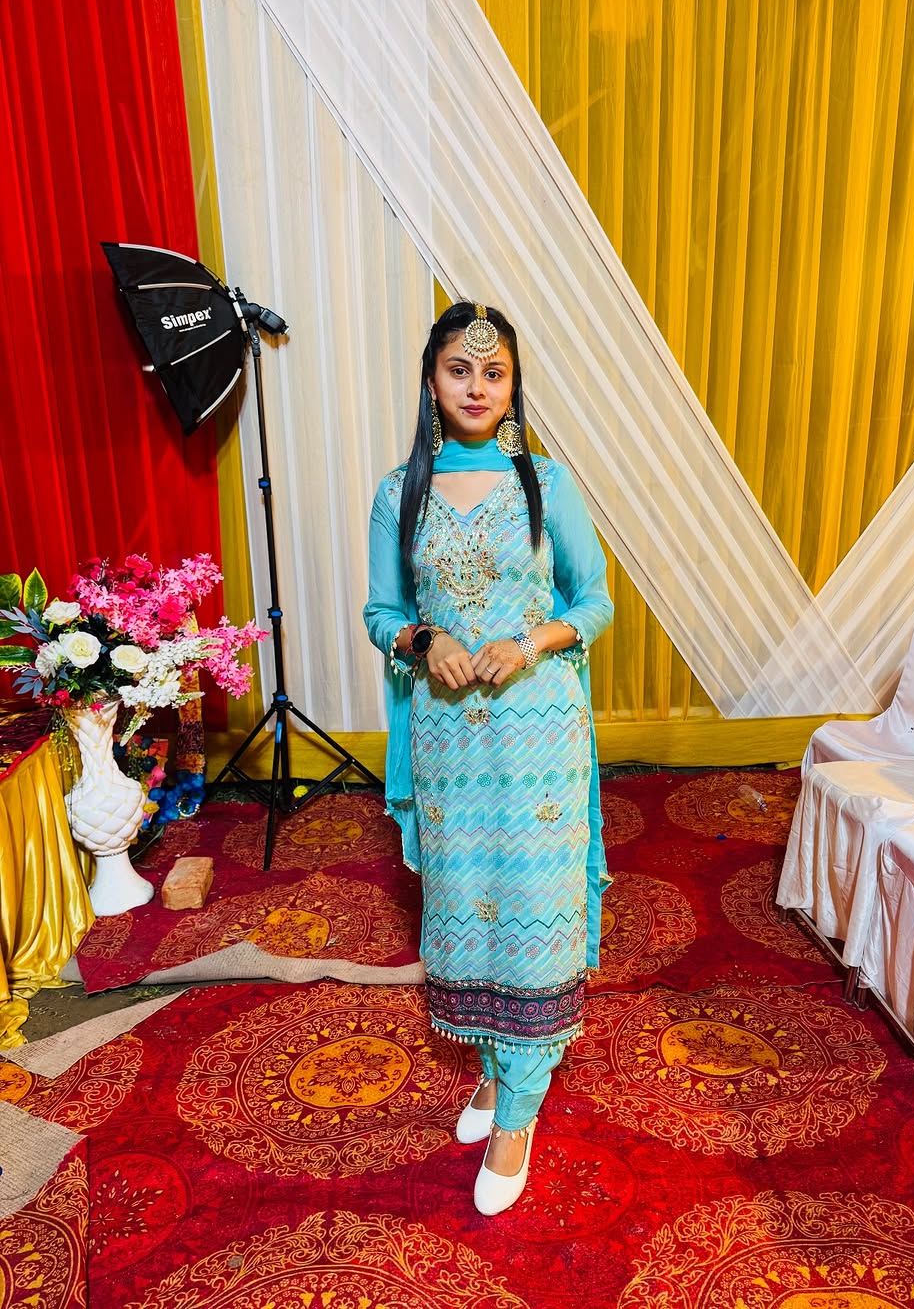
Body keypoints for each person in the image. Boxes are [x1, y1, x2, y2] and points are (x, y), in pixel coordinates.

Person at [364, 301, 613, 1215]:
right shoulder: (401, 491)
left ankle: (519, 1110)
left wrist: (534, 640)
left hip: (539, 738)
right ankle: (495, 1066)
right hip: (449, 741)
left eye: (494, 372)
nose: (477, 387)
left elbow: (595, 602)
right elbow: (382, 613)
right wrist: (423, 639)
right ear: (432, 382)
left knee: (535, 910)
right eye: (459, 371)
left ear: (513, 385)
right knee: (468, 906)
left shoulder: (547, 481)